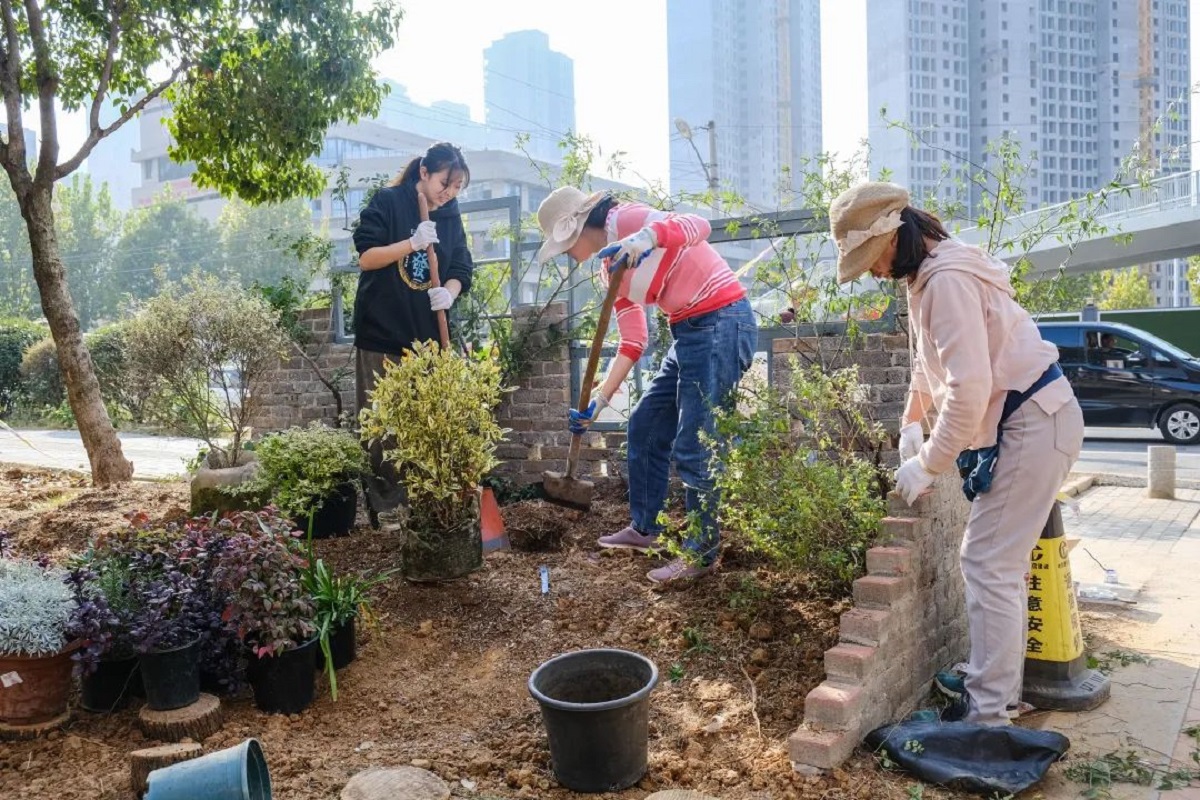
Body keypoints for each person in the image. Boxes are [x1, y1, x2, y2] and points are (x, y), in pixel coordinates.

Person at [829, 182, 1084, 726]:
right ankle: (995, 686)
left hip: (1034, 422)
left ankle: (987, 716)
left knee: (986, 562)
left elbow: (969, 391)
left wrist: (928, 465)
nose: (871, 272)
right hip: (1034, 419)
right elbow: (929, 365)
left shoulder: (945, 282)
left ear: (892, 236)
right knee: (998, 565)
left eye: (869, 257)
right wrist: (910, 423)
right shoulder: (925, 277)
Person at [534, 187, 757, 585]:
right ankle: (645, 530)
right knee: (645, 425)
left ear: (582, 226)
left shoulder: (629, 220)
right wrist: (598, 404)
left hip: (722, 320)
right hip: (688, 331)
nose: (567, 254)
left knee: (696, 444)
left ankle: (701, 552)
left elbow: (699, 226)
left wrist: (646, 238)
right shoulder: (609, 270)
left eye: (566, 244)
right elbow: (632, 341)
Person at [352, 142, 474, 526]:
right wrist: (412, 242)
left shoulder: (451, 216)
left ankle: (424, 508)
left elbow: (461, 267)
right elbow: (366, 257)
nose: (449, 193)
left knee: (426, 424)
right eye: (445, 183)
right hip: (382, 333)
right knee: (381, 428)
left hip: (428, 339)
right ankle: (388, 512)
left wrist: (449, 293)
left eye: (456, 188)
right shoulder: (388, 202)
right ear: (424, 172)